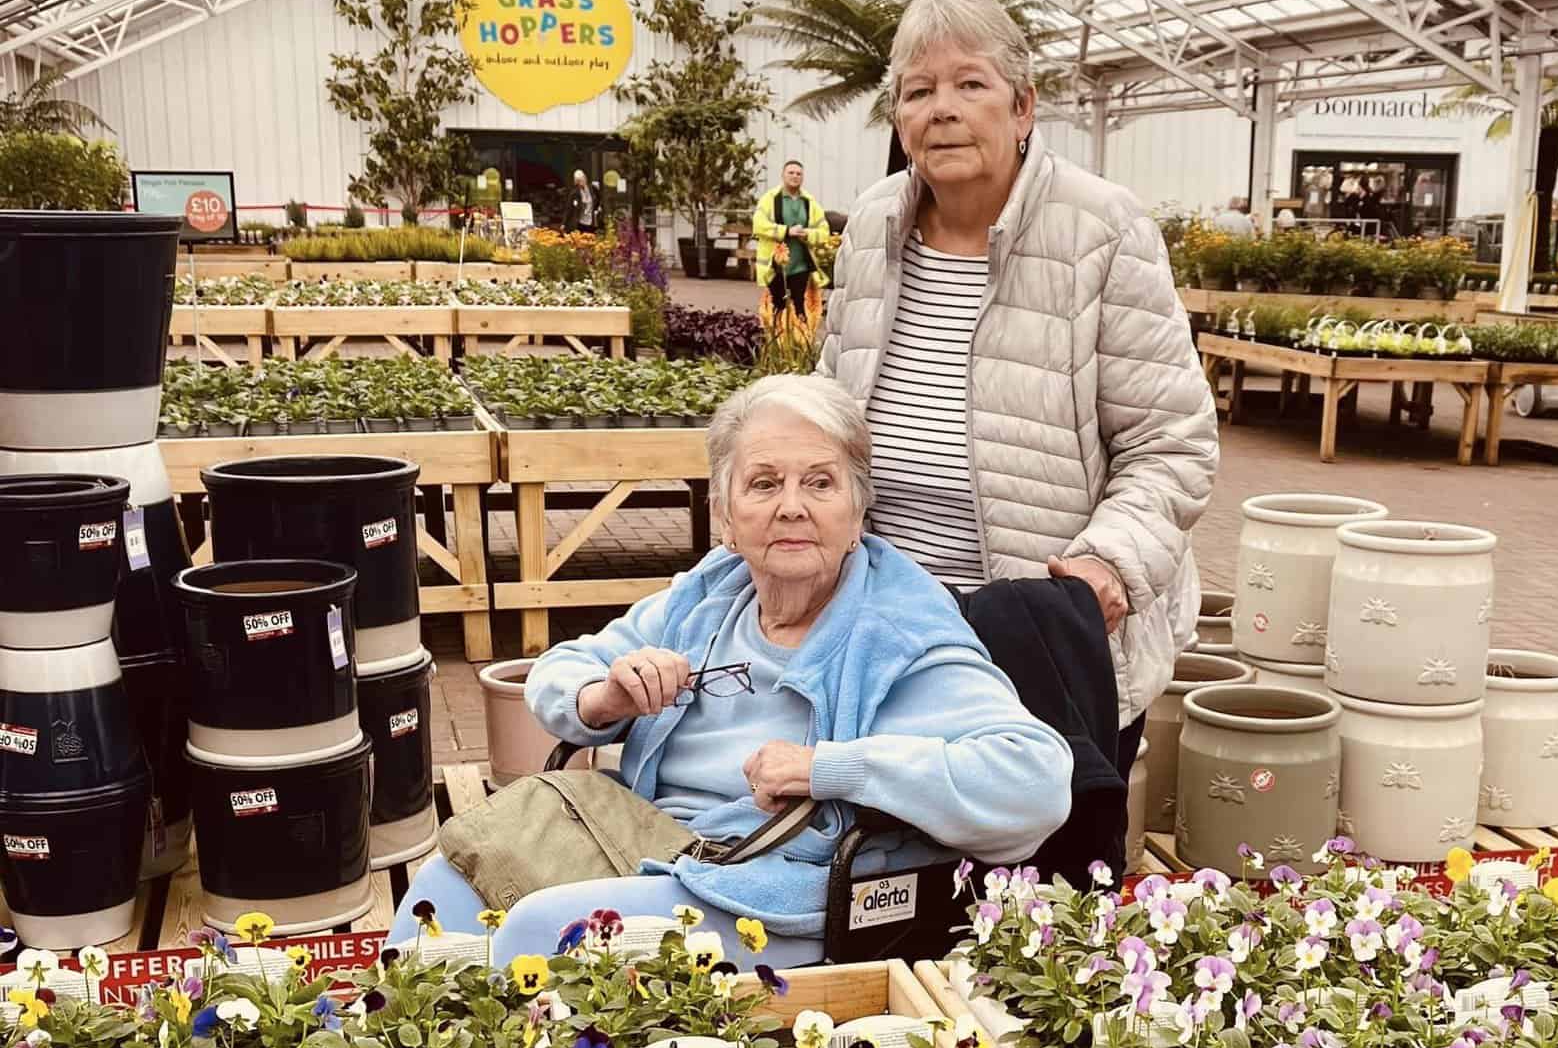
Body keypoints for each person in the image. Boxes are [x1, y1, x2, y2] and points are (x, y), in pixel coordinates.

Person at [389, 376, 1072, 966]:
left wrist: (829, 768)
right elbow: (562, 670)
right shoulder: (714, 593)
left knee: (546, 932)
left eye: (821, 483)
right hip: (650, 842)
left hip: (776, 886)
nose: (791, 506)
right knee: (446, 886)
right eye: (764, 484)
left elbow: (1035, 780)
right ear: (725, 514)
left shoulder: (897, 633)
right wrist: (607, 695)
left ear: (859, 508)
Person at [817, 0, 1218, 775]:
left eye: (971, 84)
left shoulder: (1101, 227)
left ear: (1024, 106)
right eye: (919, 90)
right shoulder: (871, 226)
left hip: (1047, 635)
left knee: (1043, 881)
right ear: (899, 117)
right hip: (892, 633)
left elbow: (1172, 445)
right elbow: (833, 407)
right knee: (900, 878)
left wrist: (1108, 565)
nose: (943, 109)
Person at [754, 160, 831, 324]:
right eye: (791, 173)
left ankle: (801, 346)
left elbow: (824, 233)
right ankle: (777, 347)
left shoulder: (809, 202)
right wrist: (786, 231)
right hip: (776, 266)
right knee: (777, 309)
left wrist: (807, 234)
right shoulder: (770, 199)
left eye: (799, 174)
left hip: (800, 265)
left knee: (800, 310)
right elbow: (758, 225)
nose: (795, 176)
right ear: (783, 175)